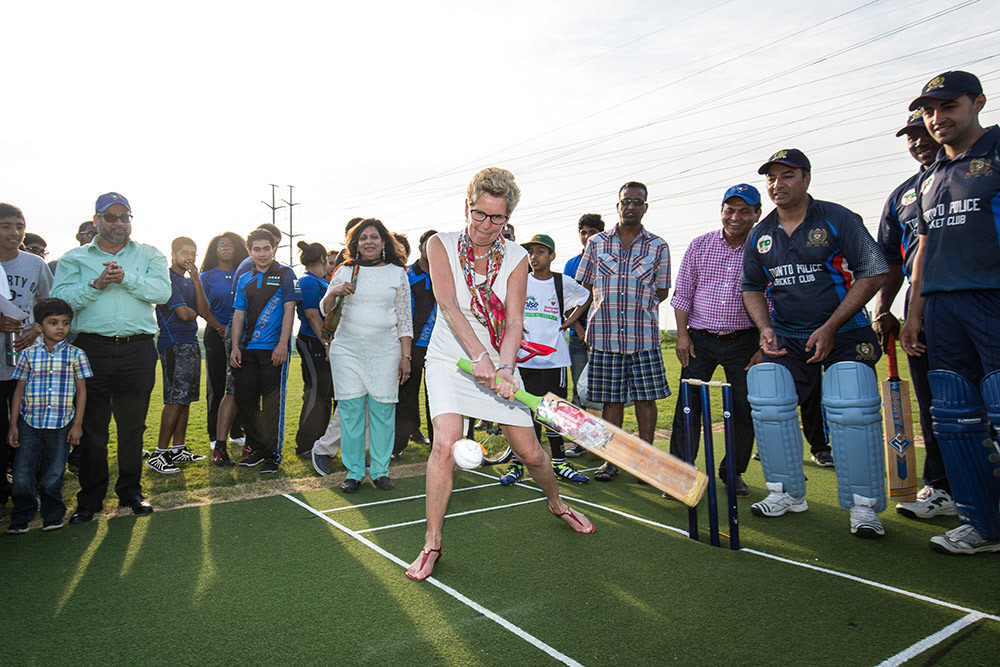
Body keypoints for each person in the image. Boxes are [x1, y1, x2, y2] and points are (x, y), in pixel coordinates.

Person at [405, 168, 594, 582]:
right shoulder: (440, 244)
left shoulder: (516, 257)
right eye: (479, 214)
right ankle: (432, 542)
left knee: (529, 452)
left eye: (496, 219)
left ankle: (557, 504)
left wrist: (504, 367)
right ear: (467, 206)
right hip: (449, 358)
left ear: (508, 219)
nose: (485, 226)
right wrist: (479, 359)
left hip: (496, 357)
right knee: (446, 443)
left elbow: (512, 322)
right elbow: (449, 305)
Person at [741, 149, 889, 537]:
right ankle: (787, 493)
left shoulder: (838, 218)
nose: (778, 184)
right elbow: (752, 288)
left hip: (846, 331)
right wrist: (764, 328)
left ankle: (864, 506)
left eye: (787, 175)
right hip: (790, 334)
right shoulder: (761, 233)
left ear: (806, 178)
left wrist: (830, 325)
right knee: (769, 397)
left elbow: (874, 272)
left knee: (852, 405)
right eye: (771, 178)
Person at [899, 71, 1000, 555]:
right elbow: (923, 247)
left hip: (991, 298)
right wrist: (913, 311)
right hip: (940, 308)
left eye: (949, 106)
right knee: (955, 418)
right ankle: (984, 525)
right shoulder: (931, 175)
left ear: (978, 102)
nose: (938, 118)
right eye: (930, 110)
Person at [51, 192, 171, 521]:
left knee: (132, 427)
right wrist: (97, 284)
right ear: (96, 220)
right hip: (92, 349)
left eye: (125, 217)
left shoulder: (148, 254)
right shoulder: (74, 258)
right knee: (93, 429)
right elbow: (60, 300)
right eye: (111, 217)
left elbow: (162, 292)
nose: (119, 223)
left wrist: (126, 278)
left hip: (138, 348)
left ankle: (131, 491)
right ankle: (90, 499)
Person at [871, 109, 955, 520]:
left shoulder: (976, 172)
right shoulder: (903, 194)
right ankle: (941, 487)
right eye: (911, 135)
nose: (919, 141)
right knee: (934, 403)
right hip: (922, 308)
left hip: (981, 297)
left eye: (924, 132)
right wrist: (883, 307)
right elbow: (888, 260)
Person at [668, 185, 765, 499]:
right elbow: (682, 293)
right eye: (729, 210)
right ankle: (681, 473)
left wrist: (764, 346)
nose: (735, 217)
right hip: (700, 339)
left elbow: (773, 300)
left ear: (757, 214)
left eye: (744, 211)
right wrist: (682, 335)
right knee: (688, 407)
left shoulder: (765, 248)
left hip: (745, 341)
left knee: (742, 408)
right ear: (721, 211)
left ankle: (732, 473)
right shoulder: (700, 245)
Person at [575, 182, 671, 482]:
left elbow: (662, 290)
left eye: (637, 202)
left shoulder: (658, 245)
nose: (631, 206)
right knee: (610, 400)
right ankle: (611, 460)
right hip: (604, 335)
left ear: (646, 206)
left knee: (646, 399)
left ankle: (645, 459)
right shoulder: (597, 243)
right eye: (625, 201)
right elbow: (585, 286)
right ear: (617, 206)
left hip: (642, 336)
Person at [321, 218, 411, 492]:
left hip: (385, 350)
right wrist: (335, 291)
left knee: (383, 411)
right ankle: (355, 471)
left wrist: (405, 356)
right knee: (351, 411)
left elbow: (405, 319)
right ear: (355, 243)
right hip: (346, 350)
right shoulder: (344, 270)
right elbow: (325, 309)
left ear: (384, 242)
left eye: (374, 237)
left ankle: (381, 470)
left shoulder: (397, 273)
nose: (368, 242)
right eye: (363, 238)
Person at [500, 233, 591, 484]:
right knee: (522, 413)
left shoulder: (563, 282)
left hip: (554, 360)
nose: (534, 257)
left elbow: (586, 297)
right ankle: (517, 463)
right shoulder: (519, 280)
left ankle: (559, 463)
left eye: (540, 252)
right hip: (522, 359)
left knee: (553, 414)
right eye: (530, 252)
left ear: (552, 256)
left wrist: (571, 320)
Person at [6, 298, 92, 533]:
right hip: (29, 424)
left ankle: (53, 514)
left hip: (62, 424)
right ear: (38, 327)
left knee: (54, 472)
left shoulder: (76, 355)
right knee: (23, 472)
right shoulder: (28, 355)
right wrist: (13, 425)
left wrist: (78, 425)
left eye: (65, 322)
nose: (60, 328)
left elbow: (82, 392)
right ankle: (21, 515)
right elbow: (18, 391)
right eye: (53, 322)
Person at [230, 228, 299, 474]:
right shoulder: (244, 279)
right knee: (244, 398)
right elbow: (238, 314)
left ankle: (272, 454)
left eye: (266, 249)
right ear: (249, 252)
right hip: (247, 350)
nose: (262, 254)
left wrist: (283, 344)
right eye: (257, 249)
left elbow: (290, 309)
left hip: (273, 350)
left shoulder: (285, 274)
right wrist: (235, 346)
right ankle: (258, 448)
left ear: (274, 249)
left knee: (272, 403)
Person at [0, 203, 52, 519]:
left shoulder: (34, 265)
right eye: (7, 226)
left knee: (32, 433)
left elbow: (51, 306)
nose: (15, 232)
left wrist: (35, 329)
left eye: (20, 225)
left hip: (30, 366)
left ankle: (31, 494)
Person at [146, 237, 210, 474]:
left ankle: (178, 448)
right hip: (173, 344)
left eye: (193, 253)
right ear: (173, 254)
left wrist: (196, 281)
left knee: (186, 398)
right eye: (184, 252)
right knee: (175, 397)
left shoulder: (188, 281)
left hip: (191, 343)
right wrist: (193, 311)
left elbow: (203, 311)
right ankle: (160, 454)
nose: (189, 257)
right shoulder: (168, 279)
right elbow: (184, 314)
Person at [200, 232, 249, 465]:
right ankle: (214, 435)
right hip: (215, 333)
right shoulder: (206, 276)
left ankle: (237, 432)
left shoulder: (244, 272)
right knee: (217, 385)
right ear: (214, 250)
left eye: (230, 245)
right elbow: (201, 306)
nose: (226, 249)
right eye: (221, 246)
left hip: (241, 334)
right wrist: (220, 327)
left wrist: (234, 332)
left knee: (238, 384)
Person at [394, 228, 438, 458]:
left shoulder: (446, 273)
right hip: (411, 345)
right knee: (406, 397)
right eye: (427, 245)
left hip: (438, 347)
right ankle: (398, 445)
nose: (431, 250)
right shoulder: (407, 273)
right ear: (421, 247)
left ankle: (438, 446)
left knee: (436, 398)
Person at [562, 213, 604, 448]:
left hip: (604, 338)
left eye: (592, 232)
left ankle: (604, 440)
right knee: (579, 391)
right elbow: (567, 302)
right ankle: (579, 441)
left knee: (605, 393)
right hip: (579, 337)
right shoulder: (571, 265)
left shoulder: (608, 259)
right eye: (583, 232)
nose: (587, 237)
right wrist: (579, 330)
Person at [294, 240, 332, 456]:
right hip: (311, 341)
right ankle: (305, 444)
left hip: (322, 342)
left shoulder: (320, 281)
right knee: (315, 392)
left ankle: (320, 441)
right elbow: (311, 314)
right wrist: (325, 342)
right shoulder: (307, 281)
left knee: (325, 394)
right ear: (322, 259)